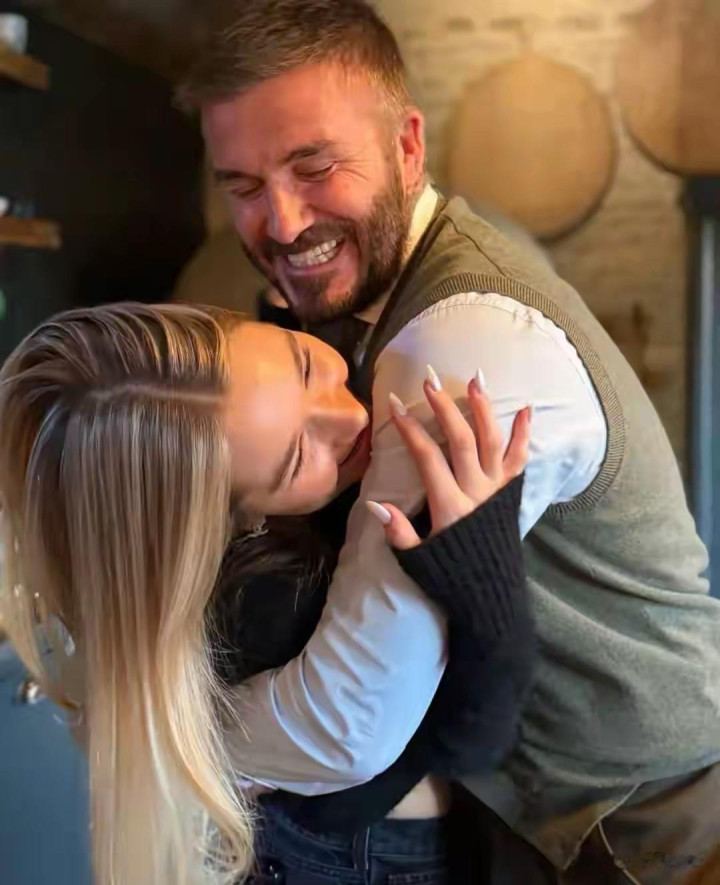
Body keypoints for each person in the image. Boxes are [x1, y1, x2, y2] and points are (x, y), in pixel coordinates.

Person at [177, 1, 720, 882]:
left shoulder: (460, 343)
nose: (279, 221)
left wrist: (148, 721)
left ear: (407, 147)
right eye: (242, 186)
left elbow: (347, 719)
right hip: (540, 814)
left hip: (640, 827)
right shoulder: (374, 302)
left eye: (314, 166)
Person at [0, 301, 532, 885]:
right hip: (363, 853)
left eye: (304, 366)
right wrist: (485, 567)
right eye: (298, 457)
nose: (351, 415)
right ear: (237, 520)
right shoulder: (267, 606)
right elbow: (472, 740)